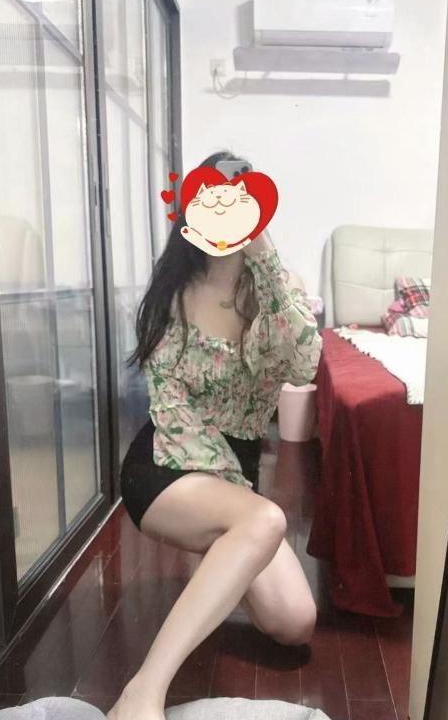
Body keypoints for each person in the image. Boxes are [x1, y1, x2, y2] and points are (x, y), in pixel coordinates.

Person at [107, 152, 322, 720]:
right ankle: (142, 692)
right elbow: (173, 409)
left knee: (295, 624)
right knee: (263, 520)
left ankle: (229, 549)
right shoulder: (173, 296)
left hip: (234, 480)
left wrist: (266, 256)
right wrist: (238, 502)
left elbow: (303, 364)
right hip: (168, 463)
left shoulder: (277, 291)